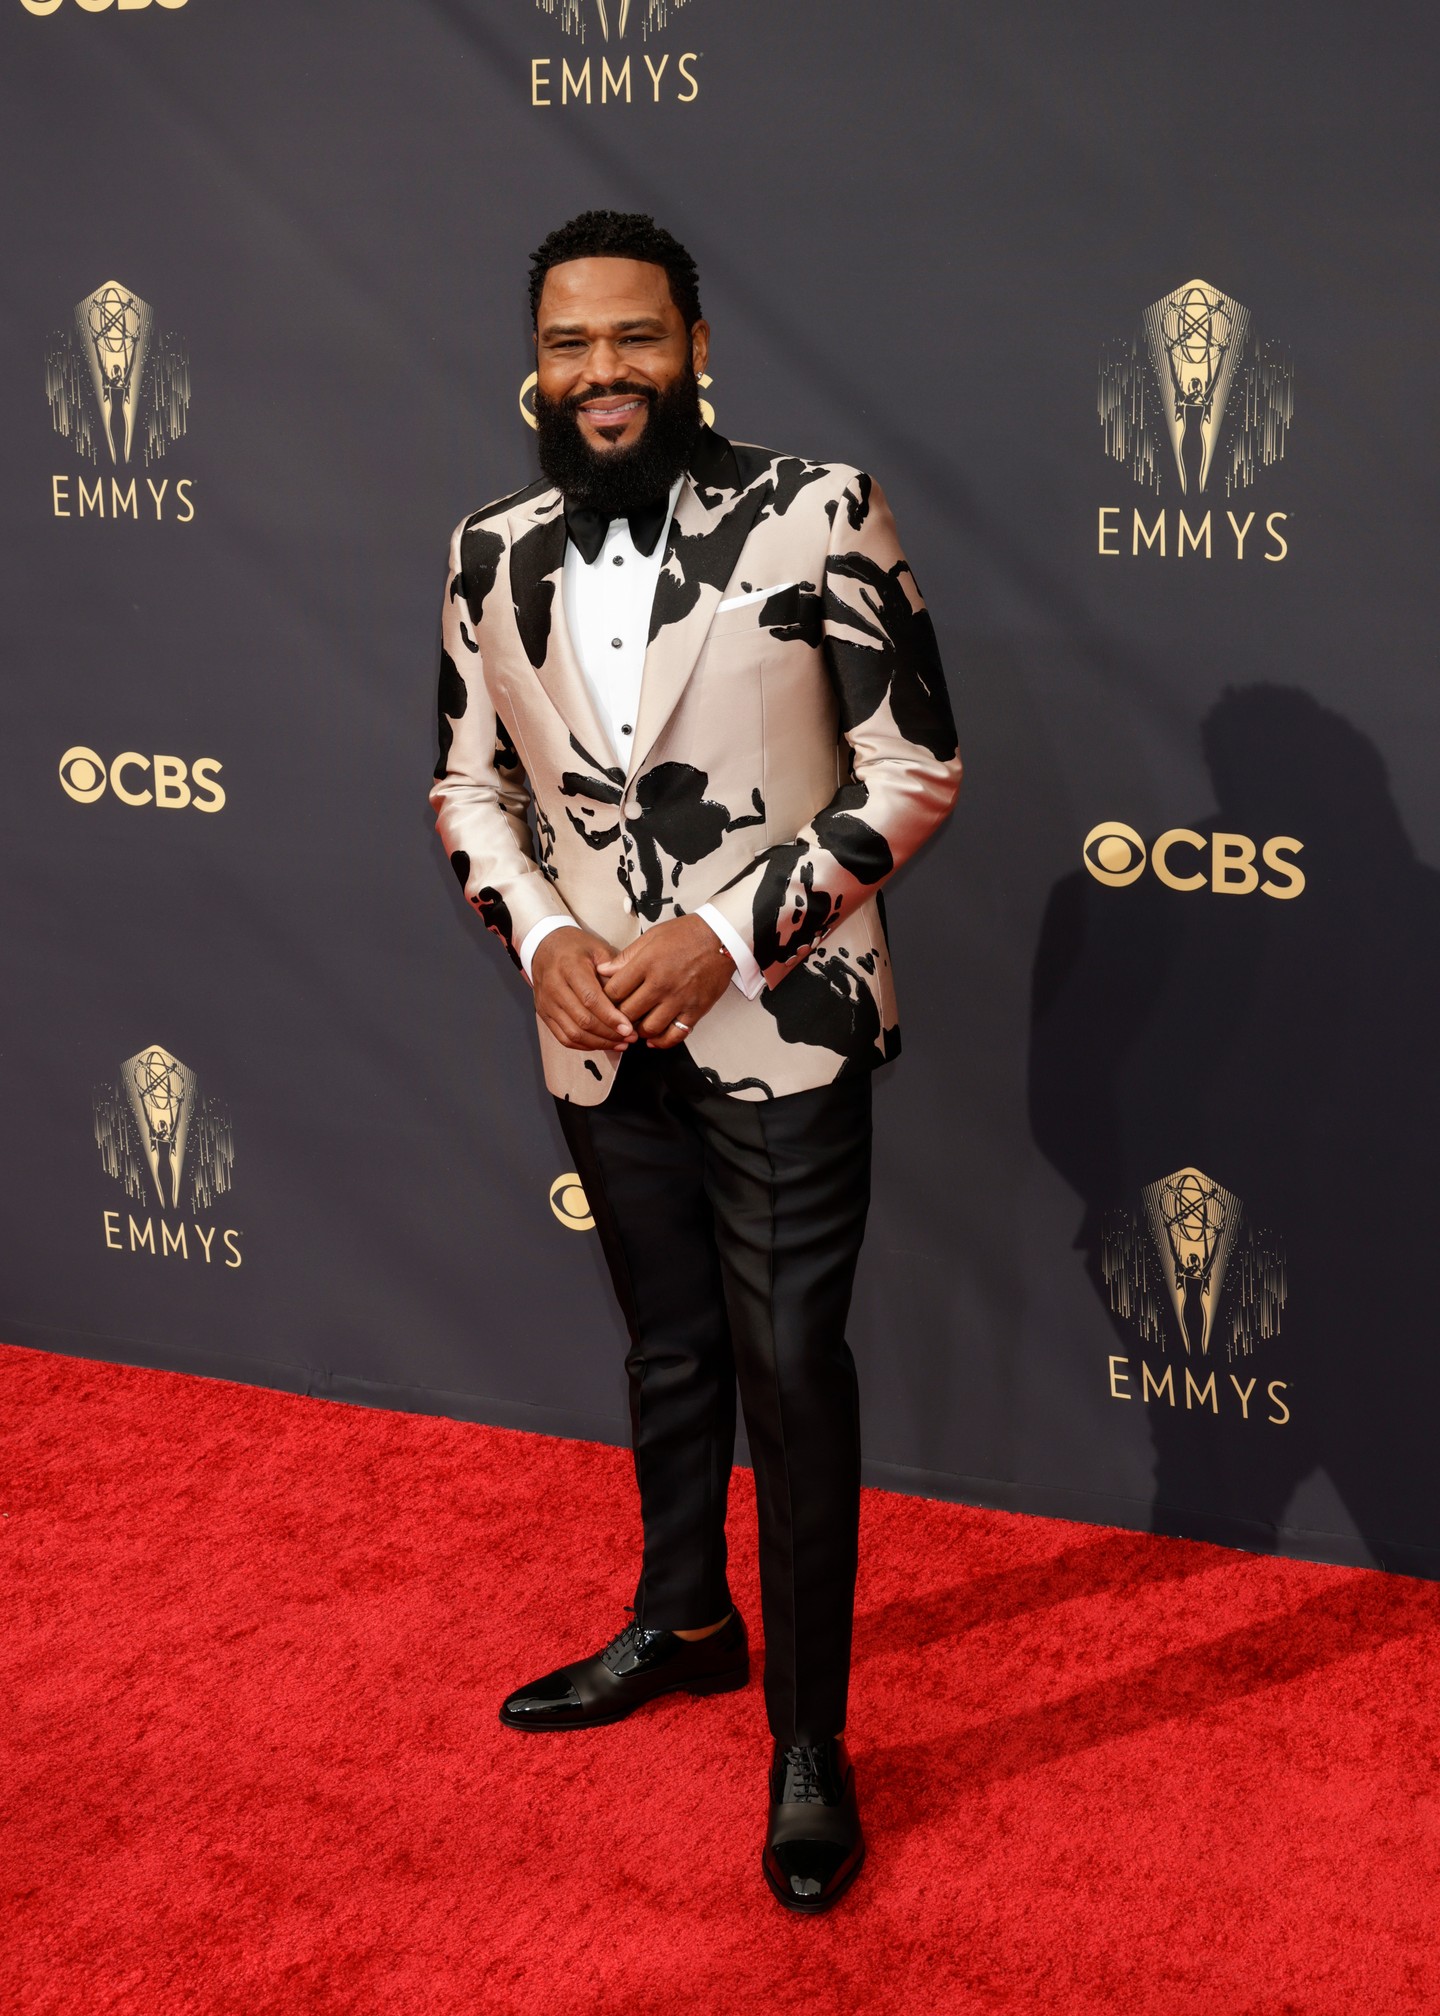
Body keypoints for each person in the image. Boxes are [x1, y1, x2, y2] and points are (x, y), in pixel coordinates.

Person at [429, 210, 960, 1912]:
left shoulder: (818, 509)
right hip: (593, 1029)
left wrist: (727, 938)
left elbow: (913, 767)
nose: (603, 371)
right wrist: (540, 939)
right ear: (537, 365)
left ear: (696, 347)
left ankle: (809, 1739)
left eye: (635, 337)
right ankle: (682, 1621)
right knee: (669, 1349)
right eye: (570, 343)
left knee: (789, 1374)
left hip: (780, 1020)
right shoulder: (488, 547)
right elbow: (467, 788)